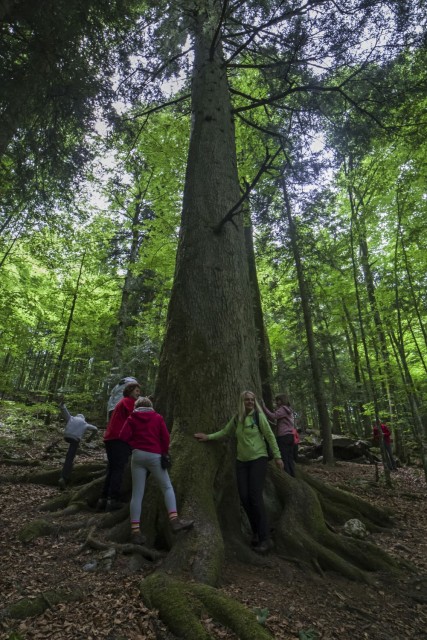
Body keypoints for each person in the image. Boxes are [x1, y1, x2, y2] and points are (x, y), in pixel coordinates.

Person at [194, 390, 283, 554]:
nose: (249, 402)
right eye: (246, 400)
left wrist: (278, 457)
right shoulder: (237, 419)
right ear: (241, 402)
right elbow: (225, 432)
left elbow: (270, 436)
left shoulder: (258, 416)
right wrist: (208, 437)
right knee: (244, 496)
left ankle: (265, 539)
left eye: (251, 399)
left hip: (258, 459)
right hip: (242, 462)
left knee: (255, 497)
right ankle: (256, 531)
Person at [119, 396, 194, 544]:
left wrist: (134, 443)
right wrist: (164, 452)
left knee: (137, 493)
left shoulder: (132, 418)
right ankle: (174, 520)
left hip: (138, 455)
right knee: (166, 486)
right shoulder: (157, 417)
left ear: (137, 406)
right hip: (154, 454)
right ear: (150, 405)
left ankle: (135, 531)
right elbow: (166, 437)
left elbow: (123, 436)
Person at [97, 382, 141, 511]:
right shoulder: (128, 401)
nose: (139, 393)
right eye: (137, 391)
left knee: (112, 468)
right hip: (119, 439)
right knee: (118, 469)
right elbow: (135, 416)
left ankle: (103, 499)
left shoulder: (122, 402)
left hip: (111, 438)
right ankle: (113, 499)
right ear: (130, 391)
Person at [58, 403, 98, 490]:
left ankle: (66, 474)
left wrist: (62, 405)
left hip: (67, 436)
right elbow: (95, 429)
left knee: (70, 455)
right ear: (83, 418)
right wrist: (90, 438)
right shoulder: (84, 423)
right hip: (75, 439)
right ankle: (64, 477)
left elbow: (65, 411)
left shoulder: (72, 418)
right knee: (70, 457)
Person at [262, 394, 296, 477]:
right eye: (276, 400)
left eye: (278, 400)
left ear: (283, 400)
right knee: (289, 458)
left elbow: (273, 416)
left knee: (284, 458)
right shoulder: (288, 409)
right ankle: (292, 475)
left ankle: (288, 477)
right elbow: (279, 422)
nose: (277, 402)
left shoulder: (283, 409)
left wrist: (263, 407)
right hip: (290, 436)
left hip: (284, 437)